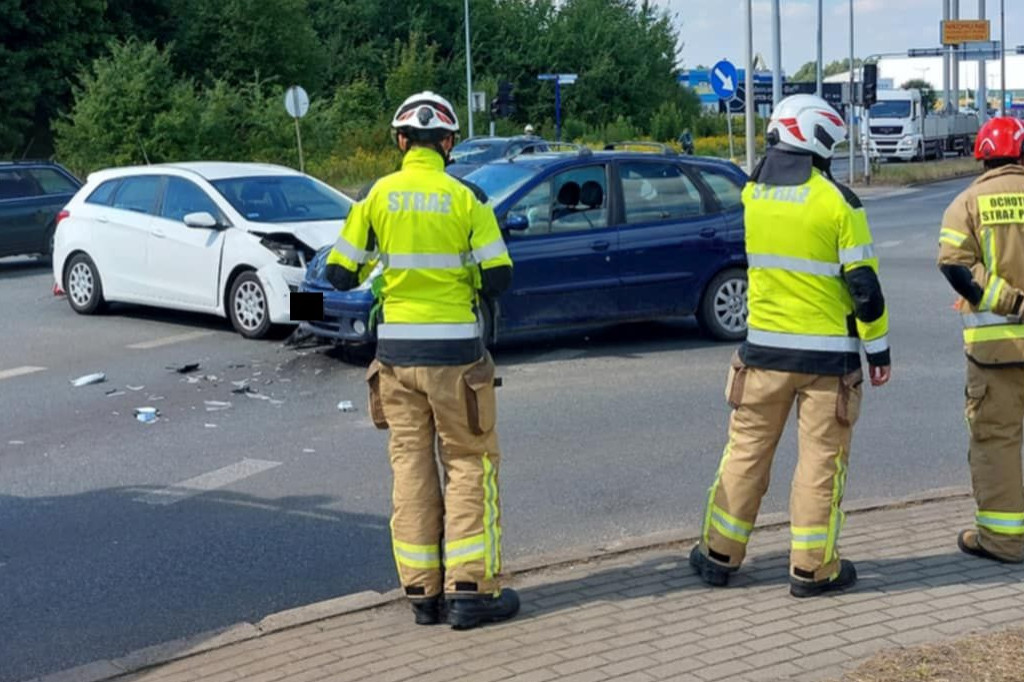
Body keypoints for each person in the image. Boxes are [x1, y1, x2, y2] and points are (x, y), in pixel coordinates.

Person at [324, 91, 519, 628]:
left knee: (410, 467)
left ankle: (422, 593)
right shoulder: (467, 197)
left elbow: (339, 274)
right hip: (456, 358)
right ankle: (470, 591)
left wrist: (382, 276)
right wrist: (463, 274)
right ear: (449, 143)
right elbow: (499, 278)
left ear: (401, 141)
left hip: (395, 359)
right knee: (469, 464)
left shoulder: (376, 195)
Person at [689, 94, 892, 598]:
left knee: (746, 453)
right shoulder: (839, 203)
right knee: (820, 463)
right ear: (819, 140)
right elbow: (864, 287)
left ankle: (718, 554)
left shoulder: (753, 196)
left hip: (762, 355)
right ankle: (811, 569)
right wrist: (879, 350)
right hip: (828, 361)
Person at [937, 116, 1024, 564]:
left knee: (997, 441)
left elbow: (955, 267)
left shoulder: (966, 203)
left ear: (982, 157)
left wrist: (1008, 300)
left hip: (996, 352)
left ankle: (1004, 541)